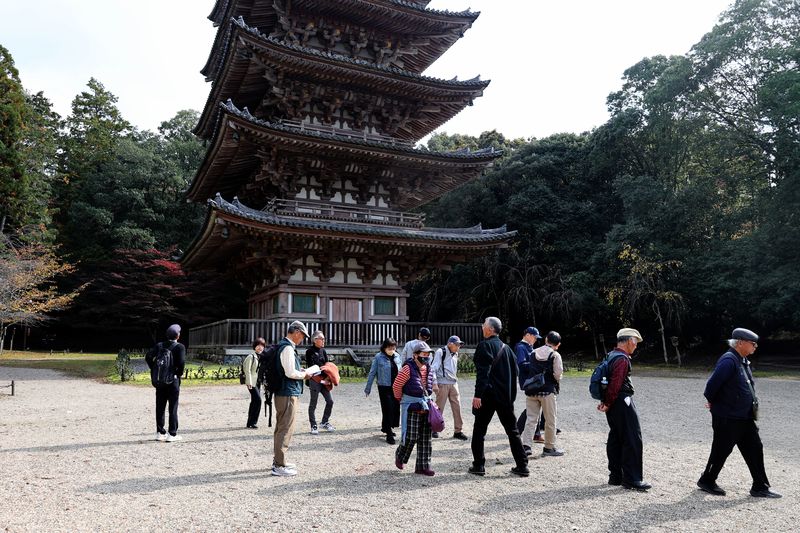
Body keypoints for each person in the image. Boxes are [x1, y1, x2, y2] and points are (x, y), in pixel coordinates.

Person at [697, 328, 781, 498]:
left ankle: (760, 486)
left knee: (755, 448)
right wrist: (715, 403)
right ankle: (707, 480)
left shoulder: (741, 360)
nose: (755, 346)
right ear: (740, 343)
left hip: (744, 416)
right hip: (728, 417)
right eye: (753, 343)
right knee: (721, 450)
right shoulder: (729, 360)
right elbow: (711, 387)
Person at [469, 317, 529, 477]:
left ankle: (479, 465)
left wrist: (477, 395)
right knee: (513, 431)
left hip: (488, 396)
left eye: (484, 324)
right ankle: (522, 466)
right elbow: (516, 372)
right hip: (505, 397)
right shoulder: (507, 349)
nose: (482, 326)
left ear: (490, 329)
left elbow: (483, 373)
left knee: (479, 430)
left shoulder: (484, 346)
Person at [597, 328, 651, 491]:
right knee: (632, 437)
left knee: (616, 436)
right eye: (635, 342)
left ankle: (616, 476)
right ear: (629, 341)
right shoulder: (622, 359)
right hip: (621, 401)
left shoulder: (611, 355)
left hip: (613, 402)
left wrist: (606, 401)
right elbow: (616, 383)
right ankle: (632, 478)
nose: (636, 345)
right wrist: (608, 402)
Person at [272, 320, 314, 477]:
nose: (302, 339)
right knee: (285, 428)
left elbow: (287, 369)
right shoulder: (288, 348)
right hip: (287, 393)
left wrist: (299, 370)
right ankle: (279, 465)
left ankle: (279, 460)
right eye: (303, 335)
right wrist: (305, 374)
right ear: (296, 332)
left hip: (283, 392)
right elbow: (290, 373)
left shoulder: (283, 345)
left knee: (281, 427)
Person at [393, 340, 436, 476]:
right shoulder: (407, 368)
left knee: (425, 438)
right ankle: (400, 456)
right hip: (411, 406)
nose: (426, 357)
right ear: (415, 355)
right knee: (410, 436)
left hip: (426, 406)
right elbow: (396, 386)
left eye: (428, 354)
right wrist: (402, 399)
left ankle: (423, 466)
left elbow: (431, 385)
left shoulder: (429, 368)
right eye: (424, 354)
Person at [521, 331, 564, 457]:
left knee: (531, 419)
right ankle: (549, 447)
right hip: (547, 391)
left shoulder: (534, 352)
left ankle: (526, 446)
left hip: (532, 390)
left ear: (546, 340)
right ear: (558, 344)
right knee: (550, 420)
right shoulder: (555, 355)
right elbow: (558, 374)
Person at [146, 324, 186, 442]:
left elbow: (148, 357)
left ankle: (160, 432)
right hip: (173, 381)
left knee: (160, 406)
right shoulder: (180, 347)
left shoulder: (159, 345)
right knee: (173, 407)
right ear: (178, 335)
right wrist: (178, 374)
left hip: (160, 380)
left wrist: (154, 369)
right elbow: (181, 363)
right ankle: (172, 434)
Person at [365, 337, 402, 444]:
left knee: (395, 408)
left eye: (393, 347)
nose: (392, 350)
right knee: (387, 409)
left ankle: (386, 427)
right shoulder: (378, 357)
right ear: (384, 347)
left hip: (396, 386)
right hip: (384, 387)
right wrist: (368, 388)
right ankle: (389, 433)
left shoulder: (397, 356)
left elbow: (401, 372)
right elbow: (372, 372)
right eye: (389, 348)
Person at [431, 335, 468, 440]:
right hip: (442, 383)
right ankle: (434, 429)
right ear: (450, 344)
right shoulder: (441, 352)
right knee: (439, 408)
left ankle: (458, 431)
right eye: (457, 345)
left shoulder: (455, 353)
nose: (458, 347)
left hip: (454, 383)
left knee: (457, 407)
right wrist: (434, 383)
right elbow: (433, 368)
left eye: (459, 345)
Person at [514, 327, 545, 444]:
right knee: (534, 405)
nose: (535, 339)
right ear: (527, 335)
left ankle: (535, 433)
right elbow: (521, 365)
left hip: (532, 380)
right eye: (534, 337)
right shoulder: (521, 347)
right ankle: (518, 429)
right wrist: (537, 365)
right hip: (528, 381)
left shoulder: (529, 347)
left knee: (536, 404)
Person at [306, 330, 334, 435]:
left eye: (324, 339)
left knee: (330, 401)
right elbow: (312, 368)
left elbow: (327, 366)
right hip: (315, 380)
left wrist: (327, 378)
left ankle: (324, 422)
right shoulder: (309, 351)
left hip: (324, 380)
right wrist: (322, 373)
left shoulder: (323, 351)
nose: (323, 341)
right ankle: (313, 425)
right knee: (313, 403)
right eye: (321, 339)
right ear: (315, 340)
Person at [243, 337, 265, 429]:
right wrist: (249, 382)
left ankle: (250, 423)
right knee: (258, 400)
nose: (260, 347)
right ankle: (253, 422)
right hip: (251, 382)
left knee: (254, 401)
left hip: (258, 382)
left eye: (262, 346)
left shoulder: (261, 356)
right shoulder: (251, 356)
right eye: (258, 345)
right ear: (254, 346)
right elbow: (247, 370)